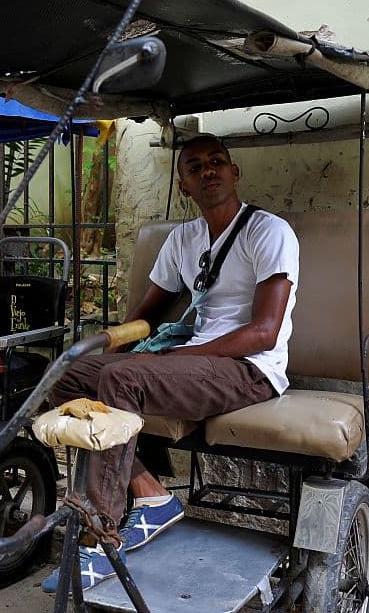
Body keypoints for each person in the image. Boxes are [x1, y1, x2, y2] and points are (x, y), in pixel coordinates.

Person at [42, 135, 299, 592]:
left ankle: (101, 537)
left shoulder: (268, 231)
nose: (208, 171)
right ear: (184, 184)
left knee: (123, 378)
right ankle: (150, 493)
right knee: (67, 372)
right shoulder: (185, 239)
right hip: (193, 364)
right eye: (195, 167)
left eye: (217, 162)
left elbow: (265, 331)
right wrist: (104, 361)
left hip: (250, 368)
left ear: (234, 172)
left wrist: (169, 358)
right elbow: (145, 315)